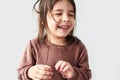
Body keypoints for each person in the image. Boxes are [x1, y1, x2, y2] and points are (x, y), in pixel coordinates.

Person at [17, 0, 92, 80]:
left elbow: (87, 75)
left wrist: (73, 73)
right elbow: (20, 73)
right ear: (43, 19)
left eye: (71, 14)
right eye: (58, 14)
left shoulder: (79, 47)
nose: (66, 19)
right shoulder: (34, 45)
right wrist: (30, 72)